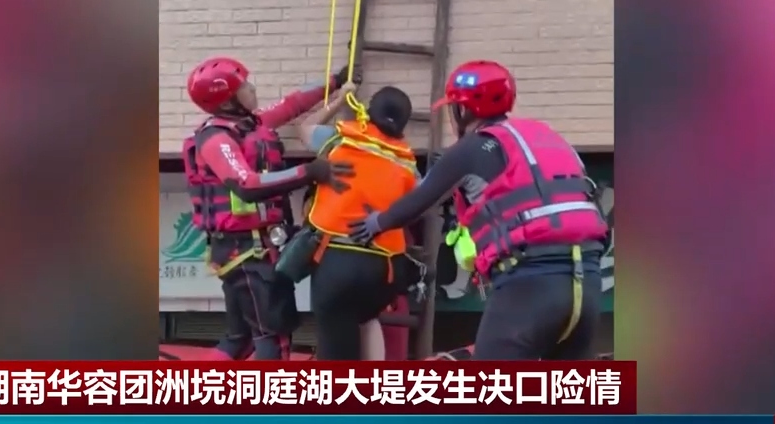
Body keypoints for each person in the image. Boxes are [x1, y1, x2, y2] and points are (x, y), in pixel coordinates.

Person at [348, 60, 609, 360]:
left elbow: (418, 201)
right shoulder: (549, 139)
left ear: (463, 110)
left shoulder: (471, 147)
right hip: (587, 283)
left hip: (529, 284)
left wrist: (375, 223)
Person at [183, 56, 355, 360]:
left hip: (249, 251)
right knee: (273, 338)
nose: (252, 89)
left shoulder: (250, 123)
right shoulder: (216, 138)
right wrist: (309, 172)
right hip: (247, 255)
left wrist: (335, 81)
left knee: (239, 340)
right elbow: (245, 184)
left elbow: (291, 105)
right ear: (227, 100)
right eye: (244, 87)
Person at [297, 85, 422, 360]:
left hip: (336, 260)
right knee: (367, 318)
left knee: (335, 348)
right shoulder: (406, 161)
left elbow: (304, 128)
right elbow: (418, 205)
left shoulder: (340, 139)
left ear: (368, 111)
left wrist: (340, 97)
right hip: (383, 267)